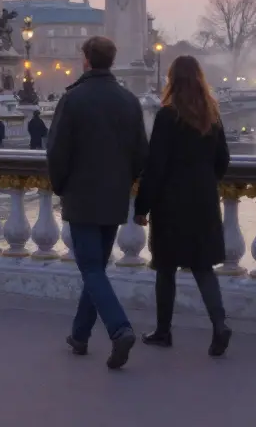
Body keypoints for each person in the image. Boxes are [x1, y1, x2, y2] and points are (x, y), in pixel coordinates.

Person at [47, 36, 148, 369]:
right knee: (96, 269)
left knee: (90, 268)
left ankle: (120, 330)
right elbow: (140, 155)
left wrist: (61, 186)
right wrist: (123, 181)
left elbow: (57, 151)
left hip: (82, 195)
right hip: (114, 197)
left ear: (86, 60)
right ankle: (79, 335)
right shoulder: (129, 101)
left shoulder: (73, 99)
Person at [134, 55, 233, 356]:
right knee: (203, 267)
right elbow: (223, 160)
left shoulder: (168, 116)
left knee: (166, 268)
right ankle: (219, 324)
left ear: (172, 80)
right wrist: (204, 180)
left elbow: (156, 166)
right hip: (203, 200)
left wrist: (142, 207)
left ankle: (163, 331)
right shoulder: (212, 114)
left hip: (171, 203)